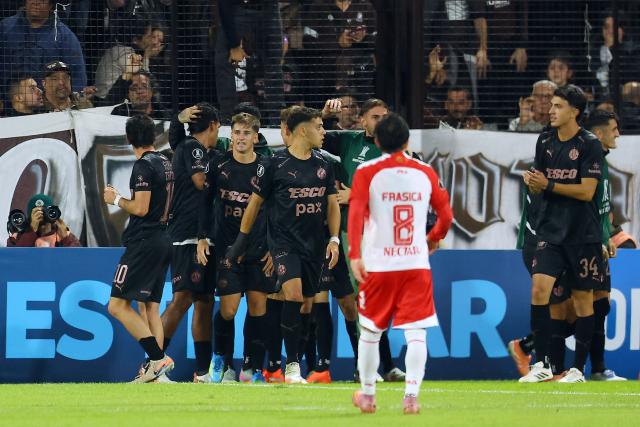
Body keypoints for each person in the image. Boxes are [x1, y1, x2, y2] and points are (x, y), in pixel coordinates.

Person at [225, 107, 341, 384]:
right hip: (283, 244)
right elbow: (254, 205)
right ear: (303, 130)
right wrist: (240, 242)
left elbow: (332, 205)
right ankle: (292, 367)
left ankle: (284, 362)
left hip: (314, 245)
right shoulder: (274, 164)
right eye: (319, 126)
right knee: (293, 294)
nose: (323, 132)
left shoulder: (325, 164)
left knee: (303, 305)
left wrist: (334, 239)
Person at [348, 113, 453, 414]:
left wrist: (355, 254)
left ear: (377, 141)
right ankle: (411, 398)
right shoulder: (425, 171)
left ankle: (368, 395)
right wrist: (432, 238)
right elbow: (446, 216)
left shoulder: (367, 171)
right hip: (415, 264)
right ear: (407, 141)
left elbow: (355, 214)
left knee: (370, 331)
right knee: (417, 332)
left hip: (379, 264)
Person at [520, 85, 604, 384]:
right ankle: (542, 364)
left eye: (557, 106)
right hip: (550, 232)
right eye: (551, 105)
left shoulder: (589, 144)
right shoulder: (544, 140)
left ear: (574, 111)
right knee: (538, 291)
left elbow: (587, 191)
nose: (550, 110)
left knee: (583, 300)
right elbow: (539, 182)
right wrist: (532, 183)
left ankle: (578, 369)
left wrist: (548, 185)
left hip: (583, 234)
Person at [322, 97, 407, 382]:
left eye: (385, 116)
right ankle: (369, 366)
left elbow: (396, 193)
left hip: (382, 234)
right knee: (363, 300)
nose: (380, 122)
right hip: (350, 234)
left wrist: (354, 196)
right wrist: (324, 116)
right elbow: (314, 137)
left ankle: (382, 364)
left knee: (374, 301)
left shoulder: (395, 152)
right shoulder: (350, 142)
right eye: (374, 117)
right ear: (362, 121)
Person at [197, 112, 276, 384]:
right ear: (231, 136)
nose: (241, 138)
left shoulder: (266, 167)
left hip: (258, 249)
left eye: (246, 133)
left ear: (256, 137)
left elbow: (276, 210)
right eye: (237, 133)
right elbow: (205, 203)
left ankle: (252, 369)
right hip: (227, 247)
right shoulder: (219, 164)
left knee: (258, 308)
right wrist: (202, 237)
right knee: (229, 310)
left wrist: (273, 248)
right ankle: (220, 360)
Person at [102, 114, 175, 383]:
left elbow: (141, 208)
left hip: (144, 242)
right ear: (153, 136)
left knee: (117, 306)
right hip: (163, 239)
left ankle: (157, 359)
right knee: (150, 308)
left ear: (129, 139)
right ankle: (157, 375)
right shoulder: (166, 163)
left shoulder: (143, 166)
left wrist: (116, 198)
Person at [162, 102, 221, 383]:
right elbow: (201, 182)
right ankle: (152, 362)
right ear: (212, 126)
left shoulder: (190, 148)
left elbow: (176, 140)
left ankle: (202, 371)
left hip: (200, 235)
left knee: (204, 300)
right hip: (186, 235)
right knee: (183, 298)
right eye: (218, 127)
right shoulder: (194, 149)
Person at [0, 0, 87, 99]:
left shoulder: (64, 36)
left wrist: (71, 102)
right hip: (8, 104)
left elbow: (77, 76)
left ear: (51, 5)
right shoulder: (5, 28)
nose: (36, 2)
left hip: (48, 108)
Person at [6, 193, 81, 247]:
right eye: (36, 213)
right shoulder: (18, 235)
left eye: (44, 212)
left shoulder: (61, 233)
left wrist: (66, 238)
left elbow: (78, 258)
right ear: (29, 217)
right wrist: (31, 230)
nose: (41, 217)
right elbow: (15, 258)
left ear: (52, 214)